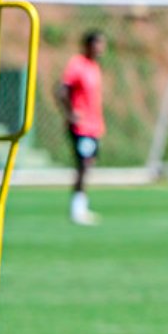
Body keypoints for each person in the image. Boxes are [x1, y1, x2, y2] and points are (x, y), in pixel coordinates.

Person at [56, 31, 106, 226]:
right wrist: (70, 113)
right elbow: (62, 89)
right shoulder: (77, 64)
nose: (101, 48)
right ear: (88, 45)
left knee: (88, 164)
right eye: (98, 44)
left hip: (94, 126)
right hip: (81, 126)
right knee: (83, 165)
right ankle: (77, 210)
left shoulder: (95, 66)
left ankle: (81, 206)